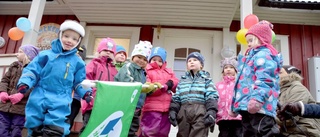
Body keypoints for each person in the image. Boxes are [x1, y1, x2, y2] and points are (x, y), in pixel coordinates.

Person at [16, 20, 93, 136]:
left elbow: (79, 81)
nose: (69, 41)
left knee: (56, 127)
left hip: (61, 98)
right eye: (66, 36)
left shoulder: (78, 62)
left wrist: (86, 92)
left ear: (78, 42)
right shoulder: (45, 55)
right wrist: (25, 82)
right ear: (60, 35)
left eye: (74, 39)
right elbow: (32, 70)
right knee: (34, 123)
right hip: (39, 95)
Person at [229, 20, 283, 137]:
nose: (248, 44)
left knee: (263, 131)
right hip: (246, 105)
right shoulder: (250, 57)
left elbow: (265, 79)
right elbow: (241, 82)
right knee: (248, 132)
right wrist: (235, 104)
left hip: (261, 106)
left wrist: (257, 100)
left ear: (262, 39)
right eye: (247, 41)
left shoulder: (264, 55)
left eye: (251, 40)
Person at [114, 40, 160, 137]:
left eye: (144, 59)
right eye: (139, 57)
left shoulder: (143, 72)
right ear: (133, 56)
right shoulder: (128, 67)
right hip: (124, 104)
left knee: (133, 127)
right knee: (123, 128)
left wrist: (151, 89)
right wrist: (144, 87)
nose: (141, 61)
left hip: (136, 106)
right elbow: (128, 82)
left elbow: (143, 90)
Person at [169, 52, 219, 137]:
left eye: (195, 60)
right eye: (189, 61)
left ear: (201, 65)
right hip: (183, 111)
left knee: (199, 134)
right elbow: (177, 97)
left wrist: (211, 111)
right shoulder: (183, 81)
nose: (191, 62)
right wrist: (173, 111)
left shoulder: (206, 79)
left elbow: (212, 95)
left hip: (200, 111)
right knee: (182, 134)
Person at [80, 37, 118, 133]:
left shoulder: (114, 69)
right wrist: (88, 96)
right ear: (99, 51)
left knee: (102, 129)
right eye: (105, 50)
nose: (108, 52)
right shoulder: (94, 64)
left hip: (107, 104)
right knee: (88, 128)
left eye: (111, 51)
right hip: (92, 103)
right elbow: (85, 80)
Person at [0, 44, 39, 137]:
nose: (17, 54)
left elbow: (34, 86)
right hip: (5, 105)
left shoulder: (34, 69)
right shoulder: (14, 66)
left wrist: (21, 94)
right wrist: (3, 91)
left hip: (20, 107)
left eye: (20, 52)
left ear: (28, 55)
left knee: (16, 129)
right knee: (2, 128)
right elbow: (5, 80)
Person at [140, 47, 179, 137]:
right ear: (150, 60)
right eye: (154, 59)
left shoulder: (168, 72)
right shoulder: (147, 71)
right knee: (149, 131)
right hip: (151, 108)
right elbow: (148, 87)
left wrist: (170, 84)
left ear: (164, 62)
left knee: (163, 133)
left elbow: (175, 82)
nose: (156, 62)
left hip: (166, 109)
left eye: (159, 60)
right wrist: (164, 87)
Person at [276, 65, 320, 136]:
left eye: (280, 72)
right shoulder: (279, 91)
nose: (276, 74)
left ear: (290, 75)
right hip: (288, 133)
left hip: (303, 133)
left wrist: (266, 119)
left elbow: (289, 119)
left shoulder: (297, 88)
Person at [215, 57, 242, 137]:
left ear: (235, 70)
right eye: (226, 68)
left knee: (238, 134)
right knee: (224, 135)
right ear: (223, 71)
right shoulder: (218, 85)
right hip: (223, 117)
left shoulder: (239, 84)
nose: (228, 69)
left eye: (231, 67)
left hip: (237, 117)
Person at [67, 45, 87, 133]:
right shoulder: (67, 64)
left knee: (69, 120)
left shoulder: (84, 68)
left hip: (75, 99)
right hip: (64, 97)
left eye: (78, 56)